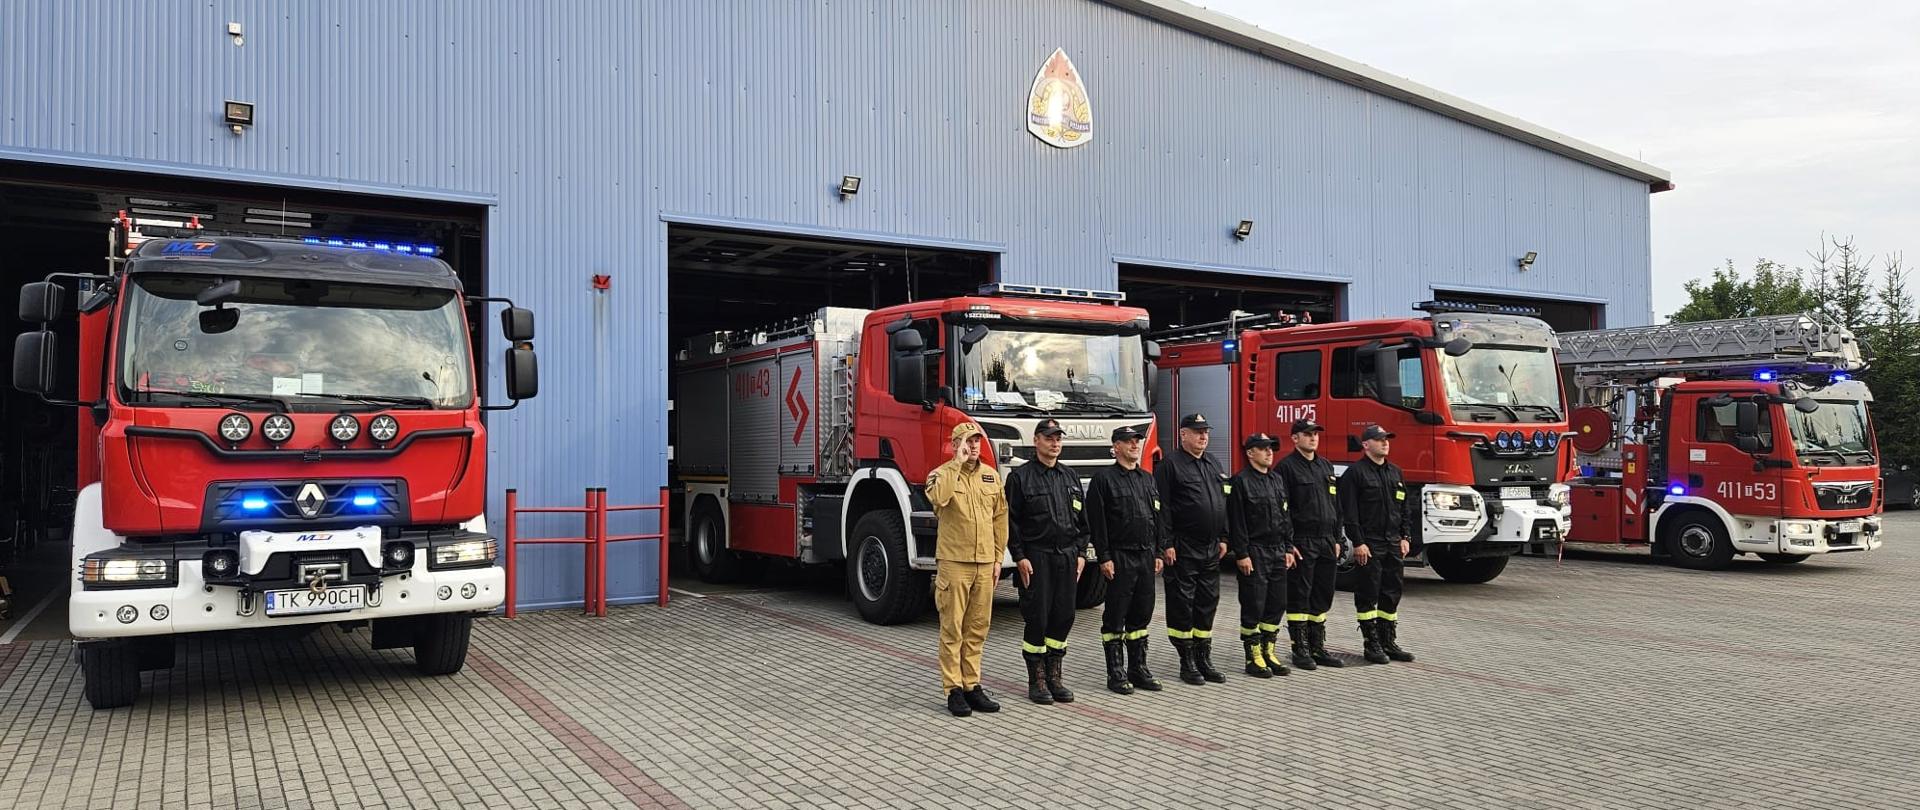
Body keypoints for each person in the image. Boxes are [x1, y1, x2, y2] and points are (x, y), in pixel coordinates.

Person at [926, 422, 1010, 717]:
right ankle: (953, 689)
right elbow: (940, 499)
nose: (973, 446)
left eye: (976, 441)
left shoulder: (990, 476)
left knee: (977, 629)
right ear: (955, 444)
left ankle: (972, 685)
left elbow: (1000, 518)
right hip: (954, 563)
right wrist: (956, 464)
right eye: (967, 442)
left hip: (984, 563)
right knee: (953, 629)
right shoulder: (941, 475)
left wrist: (998, 558)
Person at [1005, 418, 1089, 704]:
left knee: (1064, 616)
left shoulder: (1070, 477)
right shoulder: (1020, 478)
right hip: (1037, 557)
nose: (1055, 443)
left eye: (1058, 439)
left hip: (1066, 557)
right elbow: (1011, 522)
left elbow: (1082, 522)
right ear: (1036, 440)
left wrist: (1080, 553)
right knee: (1037, 618)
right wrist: (1019, 557)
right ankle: (1037, 679)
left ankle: (1055, 676)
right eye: (1049, 438)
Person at [1085, 424, 1164, 695]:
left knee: (1142, 614)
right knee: (1116, 615)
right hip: (1119, 556)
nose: (1135, 445)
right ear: (1116, 446)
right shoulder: (1104, 480)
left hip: (1145, 556)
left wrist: (1158, 551)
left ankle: (1138, 668)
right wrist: (1104, 557)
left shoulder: (1146, 479)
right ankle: (1115, 671)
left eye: (1137, 441)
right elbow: (1098, 523)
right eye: (1128, 441)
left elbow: (1156, 518)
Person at [1155, 413, 1230, 685]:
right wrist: (1166, 544)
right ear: (1182, 434)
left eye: (1206, 432)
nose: (1203, 436)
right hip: (1183, 547)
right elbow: (1161, 508)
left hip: (1211, 548)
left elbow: (1223, 501)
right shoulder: (1170, 466)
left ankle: (1204, 658)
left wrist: (1224, 536)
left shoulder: (1213, 462)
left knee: (1207, 603)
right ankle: (1186, 661)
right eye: (1197, 431)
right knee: (1182, 605)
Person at [1337, 424, 1418, 664]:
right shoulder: (1356, 474)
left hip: (1393, 542)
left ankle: (1388, 641)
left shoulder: (1395, 472)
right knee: (1368, 593)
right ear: (1366, 445)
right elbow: (1349, 513)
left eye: (1387, 439)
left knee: (1391, 592)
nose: (1385, 443)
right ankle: (1371, 644)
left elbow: (1404, 508)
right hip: (1370, 544)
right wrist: (1358, 543)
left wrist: (1406, 537)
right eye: (1379, 440)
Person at [1276, 418, 1345, 670]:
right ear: (1295, 439)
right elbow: (1282, 510)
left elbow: (1336, 506)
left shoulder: (1325, 466)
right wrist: (1288, 542)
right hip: (1302, 541)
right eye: (1307, 434)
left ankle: (1318, 646)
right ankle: (1300, 648)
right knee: (1300, 595)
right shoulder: (1286, 468)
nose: (1313, 437)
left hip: (1326, 540)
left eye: (1315, 433)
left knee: (1322, 593)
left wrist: (1337, 538)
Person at [1226, 432, 1296, 678]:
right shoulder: (1240, 482)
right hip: (1255, 551)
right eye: (1263, 448)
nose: (1269, 452)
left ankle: (1269, 651)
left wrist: (1288, 547)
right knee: (1254, 604)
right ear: (1250, 453)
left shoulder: (1277, 480)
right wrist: (1242, 554)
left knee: (1277, 604)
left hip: (1277, 550)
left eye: (1271, 448)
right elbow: (1237, 522)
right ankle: (1253, 656)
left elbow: (1285, 517)